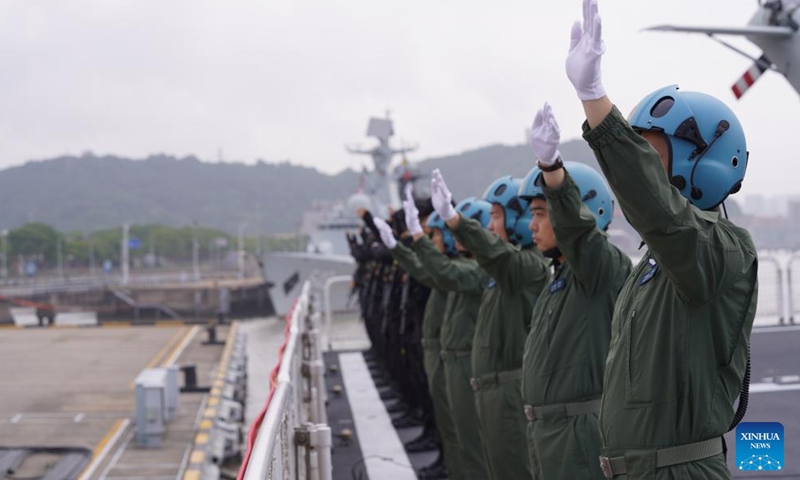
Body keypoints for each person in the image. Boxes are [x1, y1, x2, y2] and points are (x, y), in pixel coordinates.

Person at [565, 1, 758, 478]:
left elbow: (662, 214)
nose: (643, 172)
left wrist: (597, 104)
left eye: (652, 157)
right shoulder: (654, 265)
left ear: (703, 163)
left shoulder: (724, 251)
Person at [519, 103, 631, 479]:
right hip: (546, 433)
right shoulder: (559, 277)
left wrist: (553, 173)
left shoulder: (602, 268)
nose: (531, 226)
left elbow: (580, 235)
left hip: (578, 437)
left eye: (539, 213)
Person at [431, 169, 549, 480]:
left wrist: (456, 222)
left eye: (496, 216)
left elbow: (499, 256)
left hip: (509, 392)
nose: (490, 225)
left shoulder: (528, 267)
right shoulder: (504, 270)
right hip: (490, 390)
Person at [374, 195, 467, 480]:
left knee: (456, 424)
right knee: (440, 411)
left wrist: (410, 237)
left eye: (435, 232)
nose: (431, 236)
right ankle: (446, 459)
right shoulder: (444, 265)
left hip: (451, 353)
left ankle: (452, 463)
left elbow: (432, 271)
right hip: (430, 341)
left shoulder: (460, 269)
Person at [413, 194, 494, 480]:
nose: (442, 239)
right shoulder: (468, 268)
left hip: (465, 362)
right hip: (451, 357)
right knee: (455, 434)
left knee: (471, 444)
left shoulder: (477, 270)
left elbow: (443, 271)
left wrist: (415, 239)